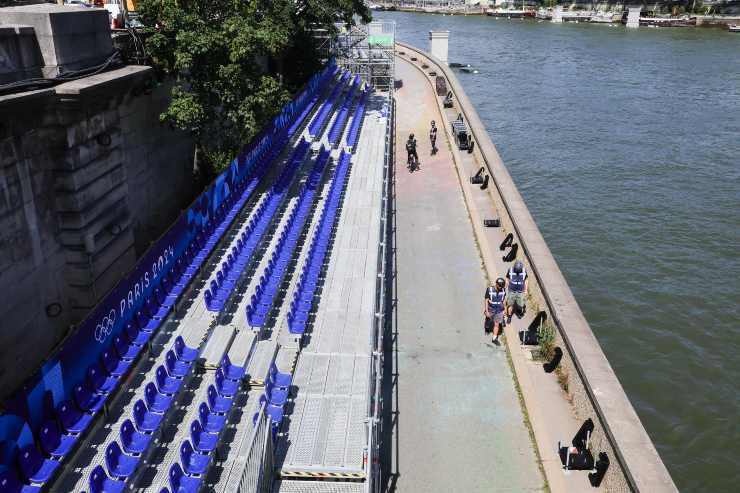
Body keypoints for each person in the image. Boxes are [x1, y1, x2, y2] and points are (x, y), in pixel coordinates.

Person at [484, 277, 507, 345]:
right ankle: (487, 327)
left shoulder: (503, 291)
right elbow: (486, 300)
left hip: (499, 310)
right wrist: (486, 310)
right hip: (491, 309)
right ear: (496, 284)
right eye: (499, 285)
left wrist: (505, 309)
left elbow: (504, 300)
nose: (500, 287)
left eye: (502, 286)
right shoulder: (489, 290)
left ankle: (494, 339)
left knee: (497, 324)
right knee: (488, 320)